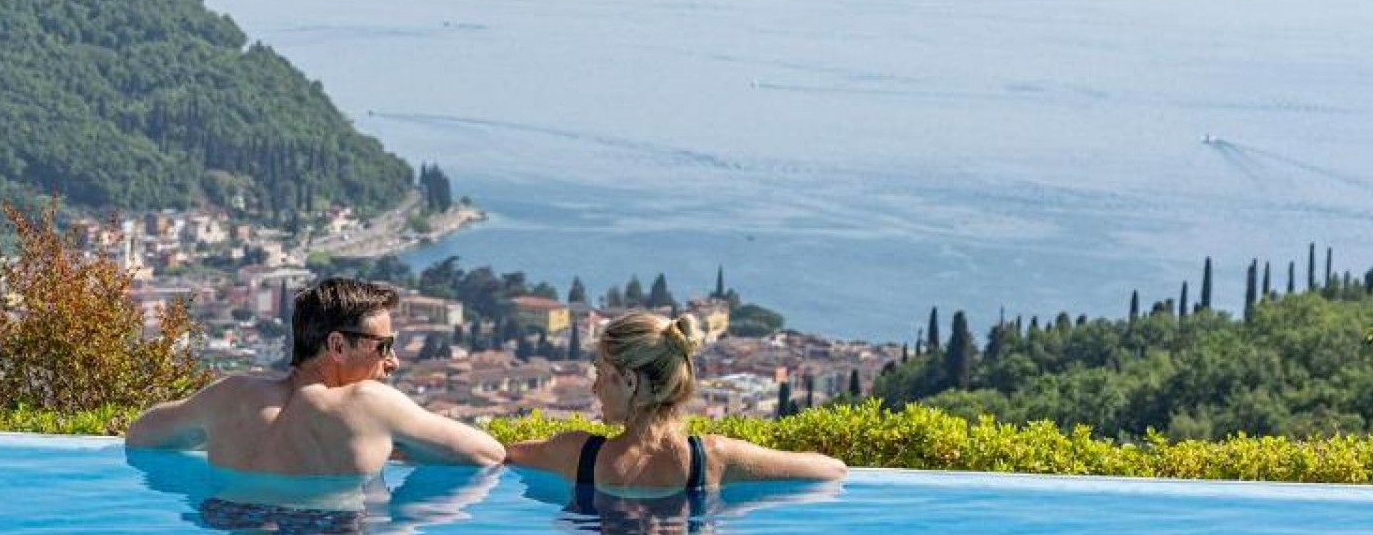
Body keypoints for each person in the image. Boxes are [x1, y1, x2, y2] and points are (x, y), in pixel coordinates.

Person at [127, 277, 505, 475]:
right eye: (384, 346)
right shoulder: (369, 405)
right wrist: (403, 444)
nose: (392, 362)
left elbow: (141, 436)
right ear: (337, 345)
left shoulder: (230, 395)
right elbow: (489, 455)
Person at [506, 312, 845, 518]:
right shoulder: (715, 458)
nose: (594, 388)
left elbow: (497, 455)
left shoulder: (575, 454)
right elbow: (832, 470)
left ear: (629, 381)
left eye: (600, 373)